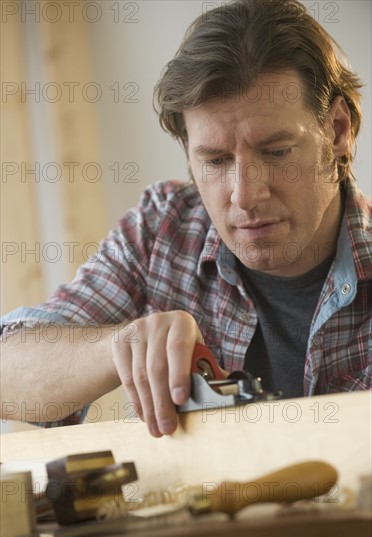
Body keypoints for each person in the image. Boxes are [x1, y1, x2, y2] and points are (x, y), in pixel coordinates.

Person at [1, 0, 371, 438]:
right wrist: (119, 347)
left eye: (276, 152)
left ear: (338, 130)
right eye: (215, 161)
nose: (245, 195)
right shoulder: (162, 230)